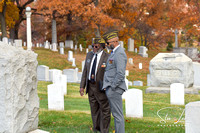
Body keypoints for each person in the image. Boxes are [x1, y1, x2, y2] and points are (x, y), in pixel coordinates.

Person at [80, 37, 111, 133]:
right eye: (92, 46)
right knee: (94, 110)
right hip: (90, 86)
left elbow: (110, 73)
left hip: (101, 88)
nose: (93, 48)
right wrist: (82, 86)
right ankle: (97, 128)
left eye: (96, 46)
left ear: (102, 47)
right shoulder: (89, 55)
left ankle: (104, 130)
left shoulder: (107, 57)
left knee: (105, 110)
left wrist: (108, 86)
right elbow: (85, 71)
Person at [102, 30, 127, 133]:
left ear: (115, 41)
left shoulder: (119, 53)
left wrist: (112, 87)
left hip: (115, 89)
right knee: (116, 115)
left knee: (117, 115)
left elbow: (120, 73)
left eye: (108, 43)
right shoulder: (114, 52)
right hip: (111, 88)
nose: (107, 45)